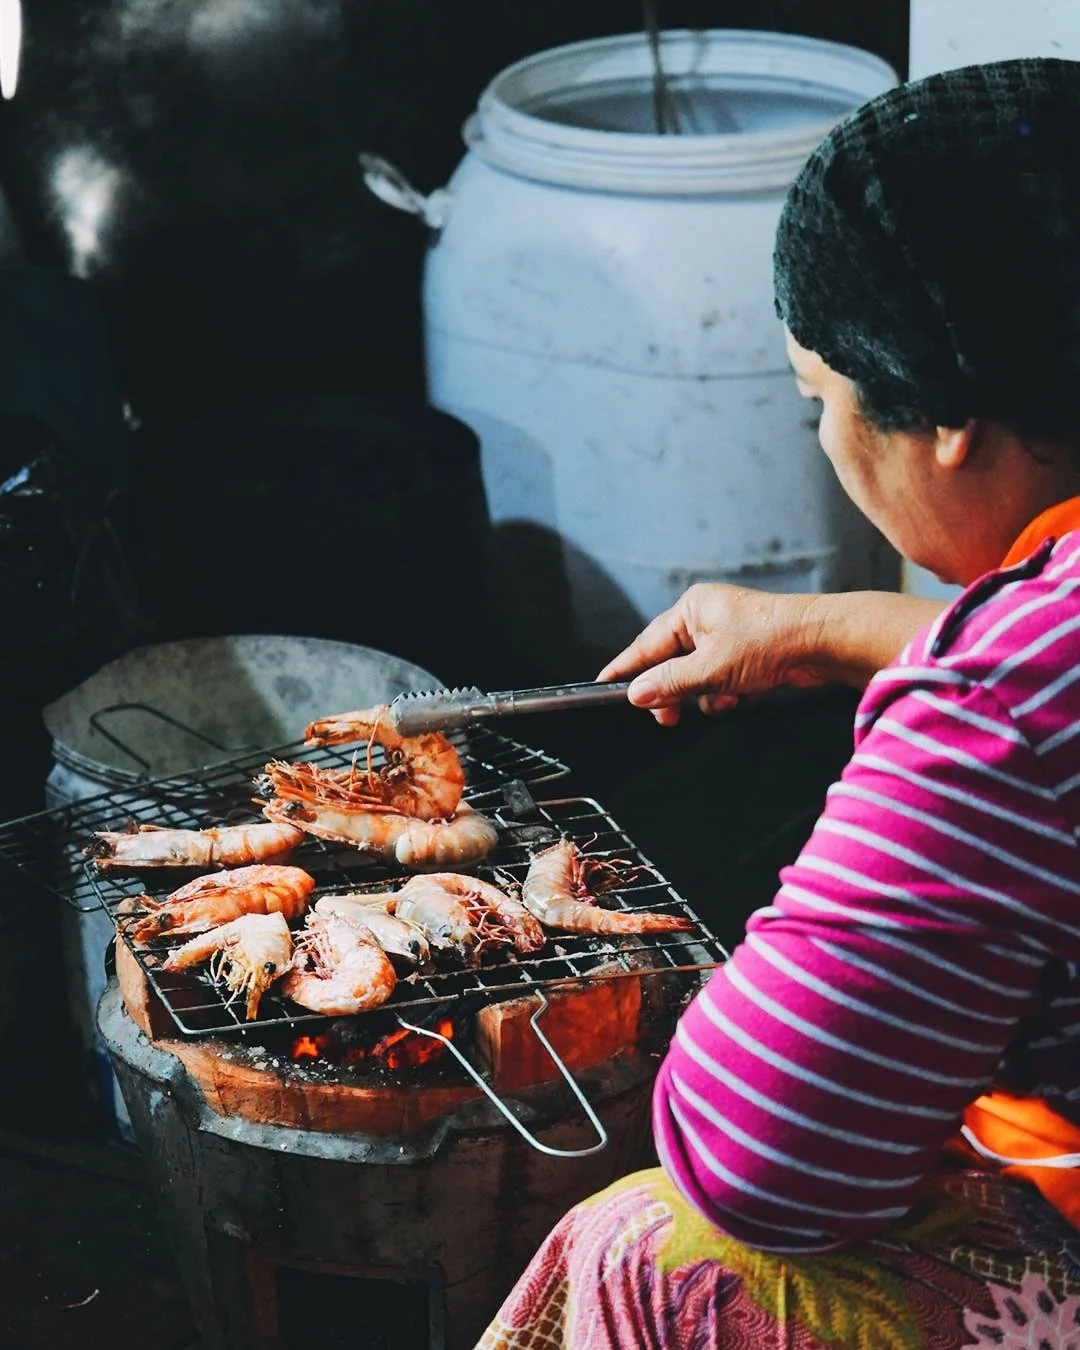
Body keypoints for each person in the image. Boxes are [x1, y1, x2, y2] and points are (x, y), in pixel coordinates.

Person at [476, 58, 1080, 1350]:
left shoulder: (997, 706)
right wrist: (840, 626)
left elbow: (768, 1167)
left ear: (952, 421)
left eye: (820, 398)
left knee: (647, 1244)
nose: (824, 436)